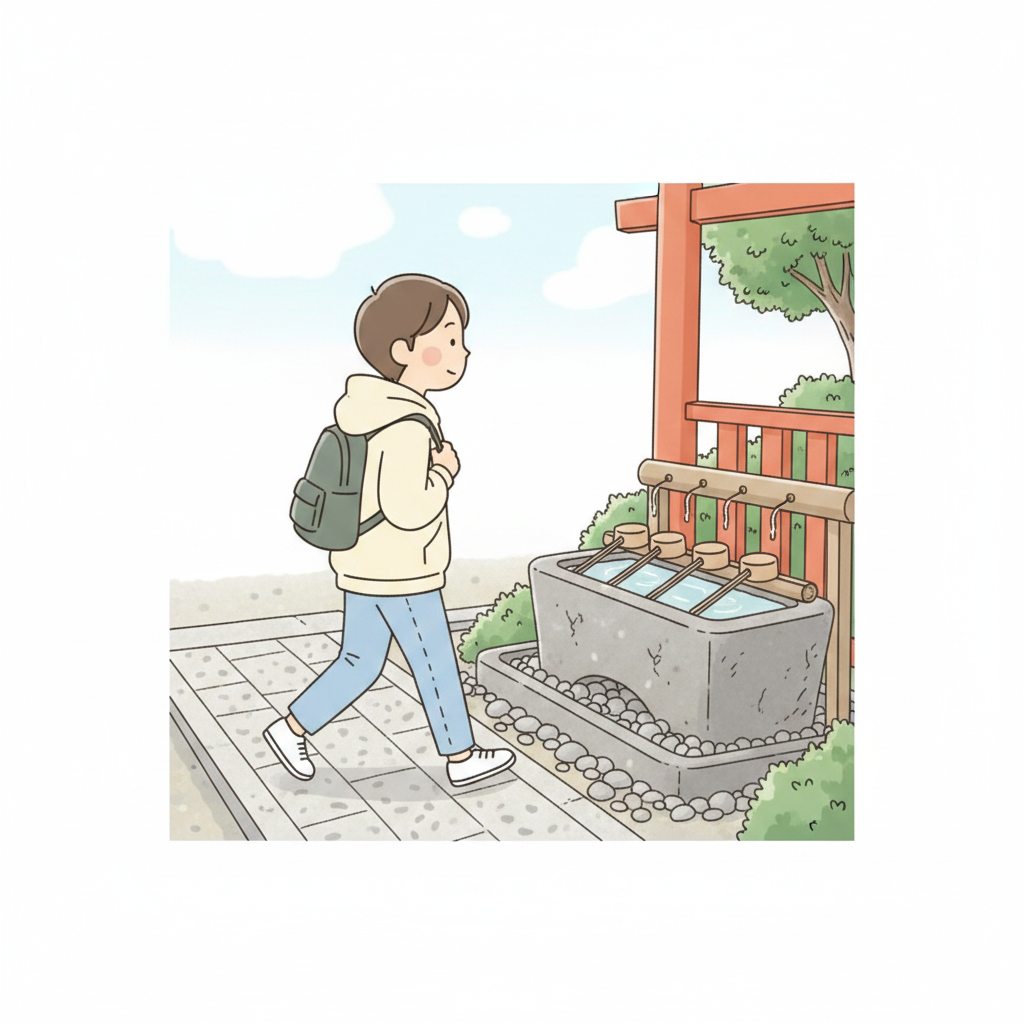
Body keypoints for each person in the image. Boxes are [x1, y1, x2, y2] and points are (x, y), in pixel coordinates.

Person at [262, 274, 516, 788]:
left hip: (362, 562)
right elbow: (407, 508)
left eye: (459, 339)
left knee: (359, 661)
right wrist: (444, 471)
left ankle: (291, 727)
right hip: (402, 569)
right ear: (403, 350)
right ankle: (462, 756)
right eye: (446, 340)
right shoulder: (405, 425)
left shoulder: (368, 411)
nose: (460, 351)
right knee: (435, 661)